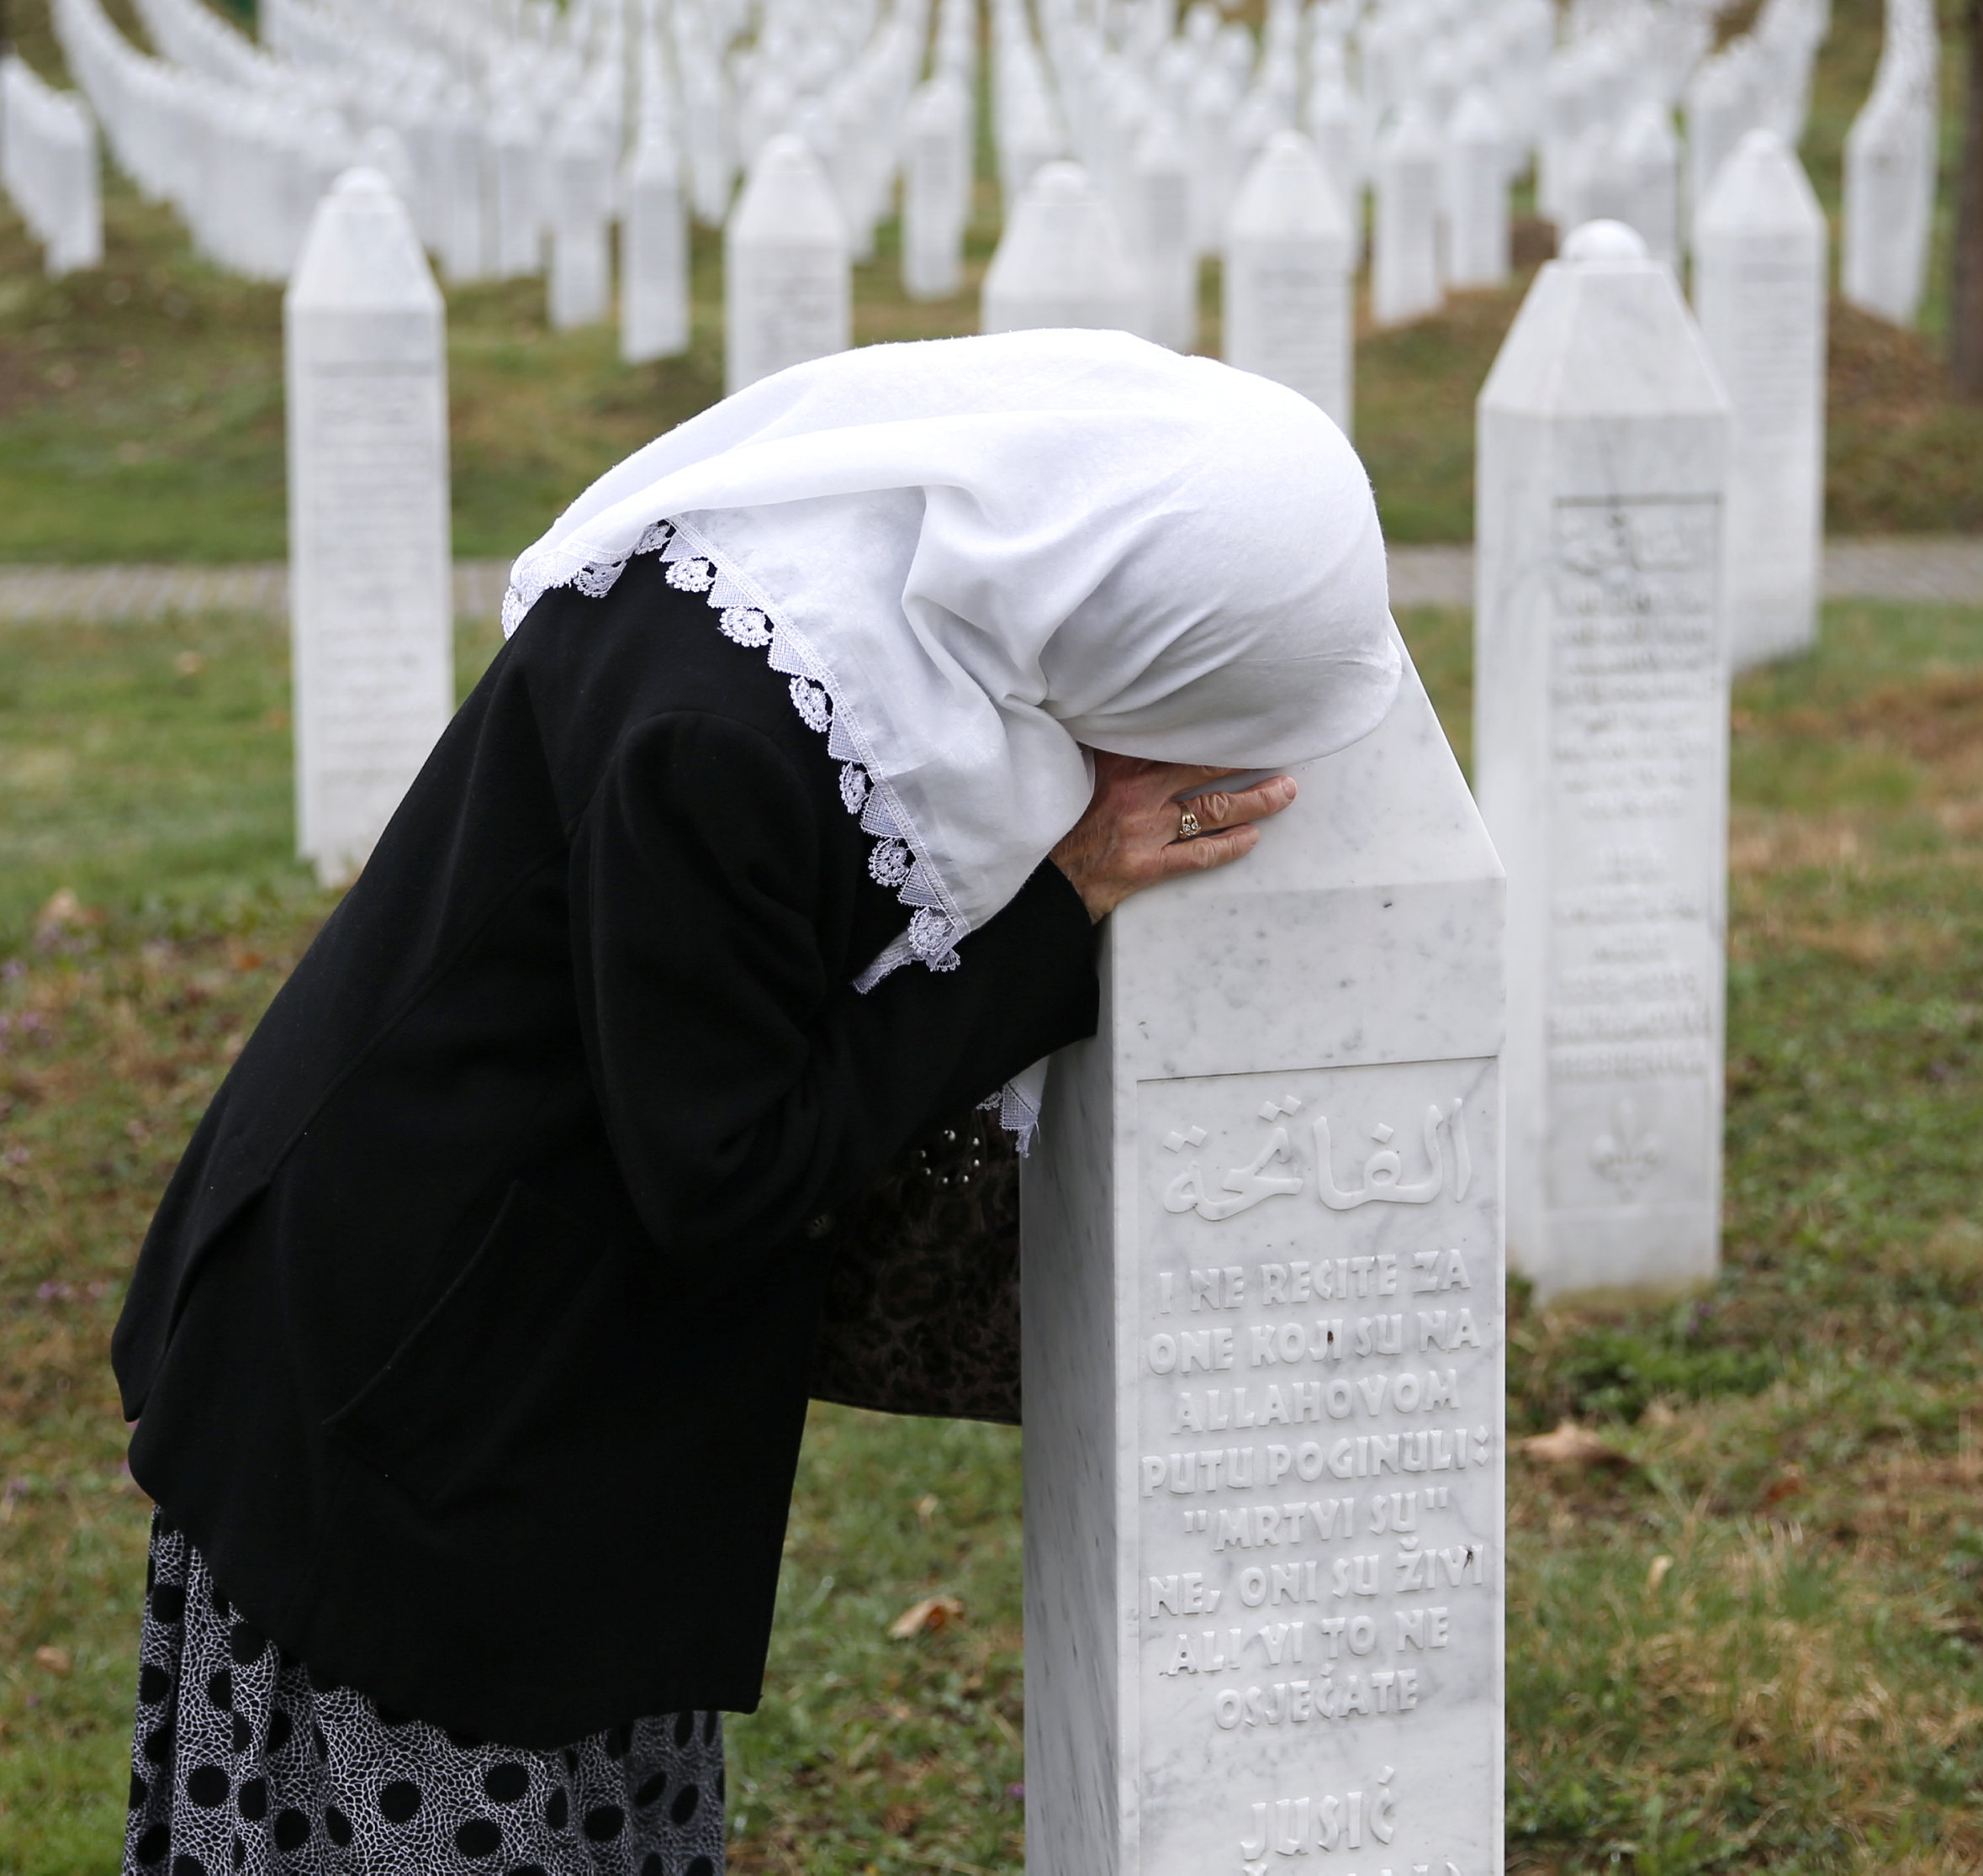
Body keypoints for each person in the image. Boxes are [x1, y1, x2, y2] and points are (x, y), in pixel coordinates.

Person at [108, 330, 1401, 1876]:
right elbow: (725, 1168)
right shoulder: (721, 732)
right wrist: (1057, 910)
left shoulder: (886, 626)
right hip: (424, 1377)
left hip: (540, 1344)